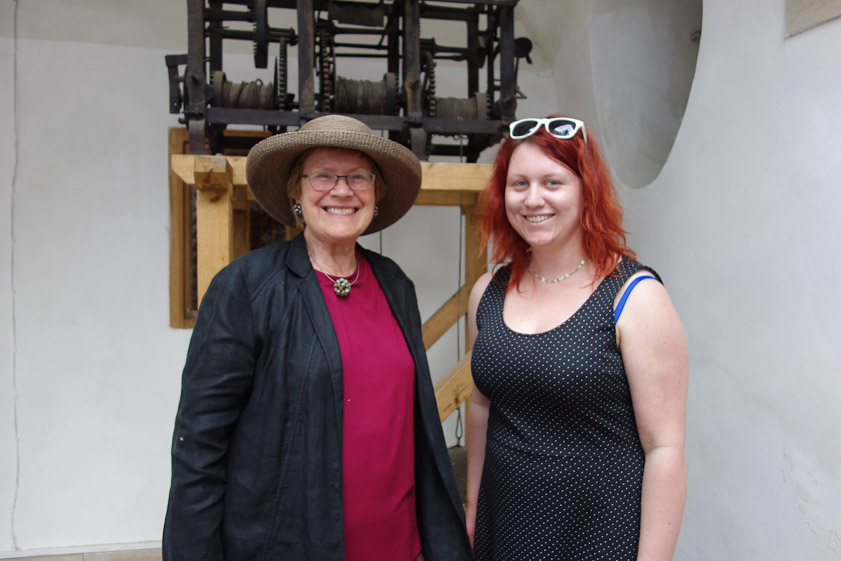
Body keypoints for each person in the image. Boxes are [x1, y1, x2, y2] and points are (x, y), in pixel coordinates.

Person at [163, 115, 472, 561]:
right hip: (289, 546)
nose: (341, 190)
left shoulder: (394, 285)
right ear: (296, 191)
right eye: (323, 175)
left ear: (376, 193)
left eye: (357, 177)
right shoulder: (247, 287)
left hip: (398, 546)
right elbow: (199, 446)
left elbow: (413, 429)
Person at [465, 116, 688, 560]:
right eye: (519, 183)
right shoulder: (486, 292)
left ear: (586, 189)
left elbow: (665, 448)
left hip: (596, 534)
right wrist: (471, 508)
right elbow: (479, 406)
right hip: (504, 527)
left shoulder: (634, 297)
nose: (533, 199)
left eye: (553, 182)